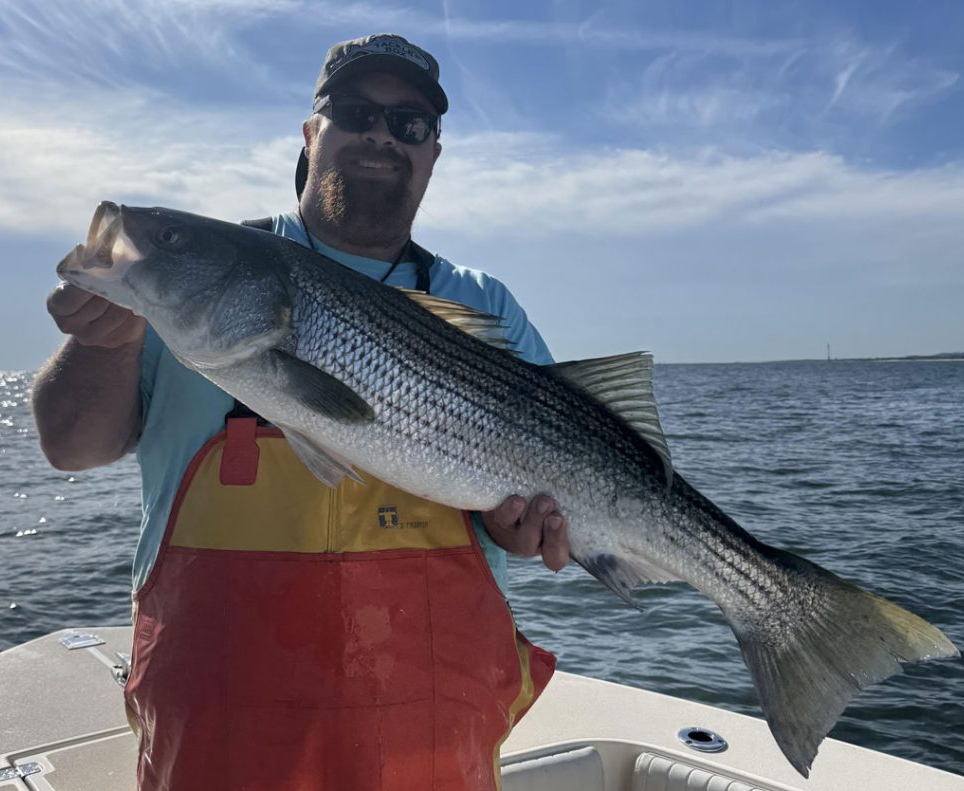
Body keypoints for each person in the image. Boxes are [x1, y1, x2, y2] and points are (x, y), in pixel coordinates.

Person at [32, 33, 570, 791]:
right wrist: (103, 341)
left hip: (430, 748)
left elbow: (544, 504)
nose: (381, 135)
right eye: (355, 112)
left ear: (432, 154)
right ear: (313, 133)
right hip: (215, 747)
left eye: (409, 123)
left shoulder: (481, 304)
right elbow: (71, 446)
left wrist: (525, 530)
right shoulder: (183, 293)